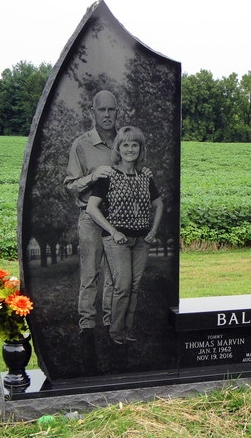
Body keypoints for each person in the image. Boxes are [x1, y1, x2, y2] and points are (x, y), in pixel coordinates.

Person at [87, 126, 163, 345]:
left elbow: (159, 204)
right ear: (118, 149)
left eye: (134, 145)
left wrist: (153, 231)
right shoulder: (108, 175)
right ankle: (115, 331)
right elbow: (92, 208)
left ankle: (127, 329)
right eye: (125, 145)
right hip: (117, 240)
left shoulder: (145, 176)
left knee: (135, 287)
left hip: (141, 241)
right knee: (122, 286)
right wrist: (113, 231)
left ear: (140, 148)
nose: (130, 149)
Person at [64, 90, 118, 373]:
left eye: (111, 110)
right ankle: (87, 328)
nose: (107, 115)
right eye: (102, 111)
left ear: (116, 111)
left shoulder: (124, 142)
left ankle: (111, 326)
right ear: (93, 112)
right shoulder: (81, 145)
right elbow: (70, 184)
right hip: (90, 218)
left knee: (114, 275)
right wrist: (92, 176)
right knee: (90, 275)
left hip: (119, 218)